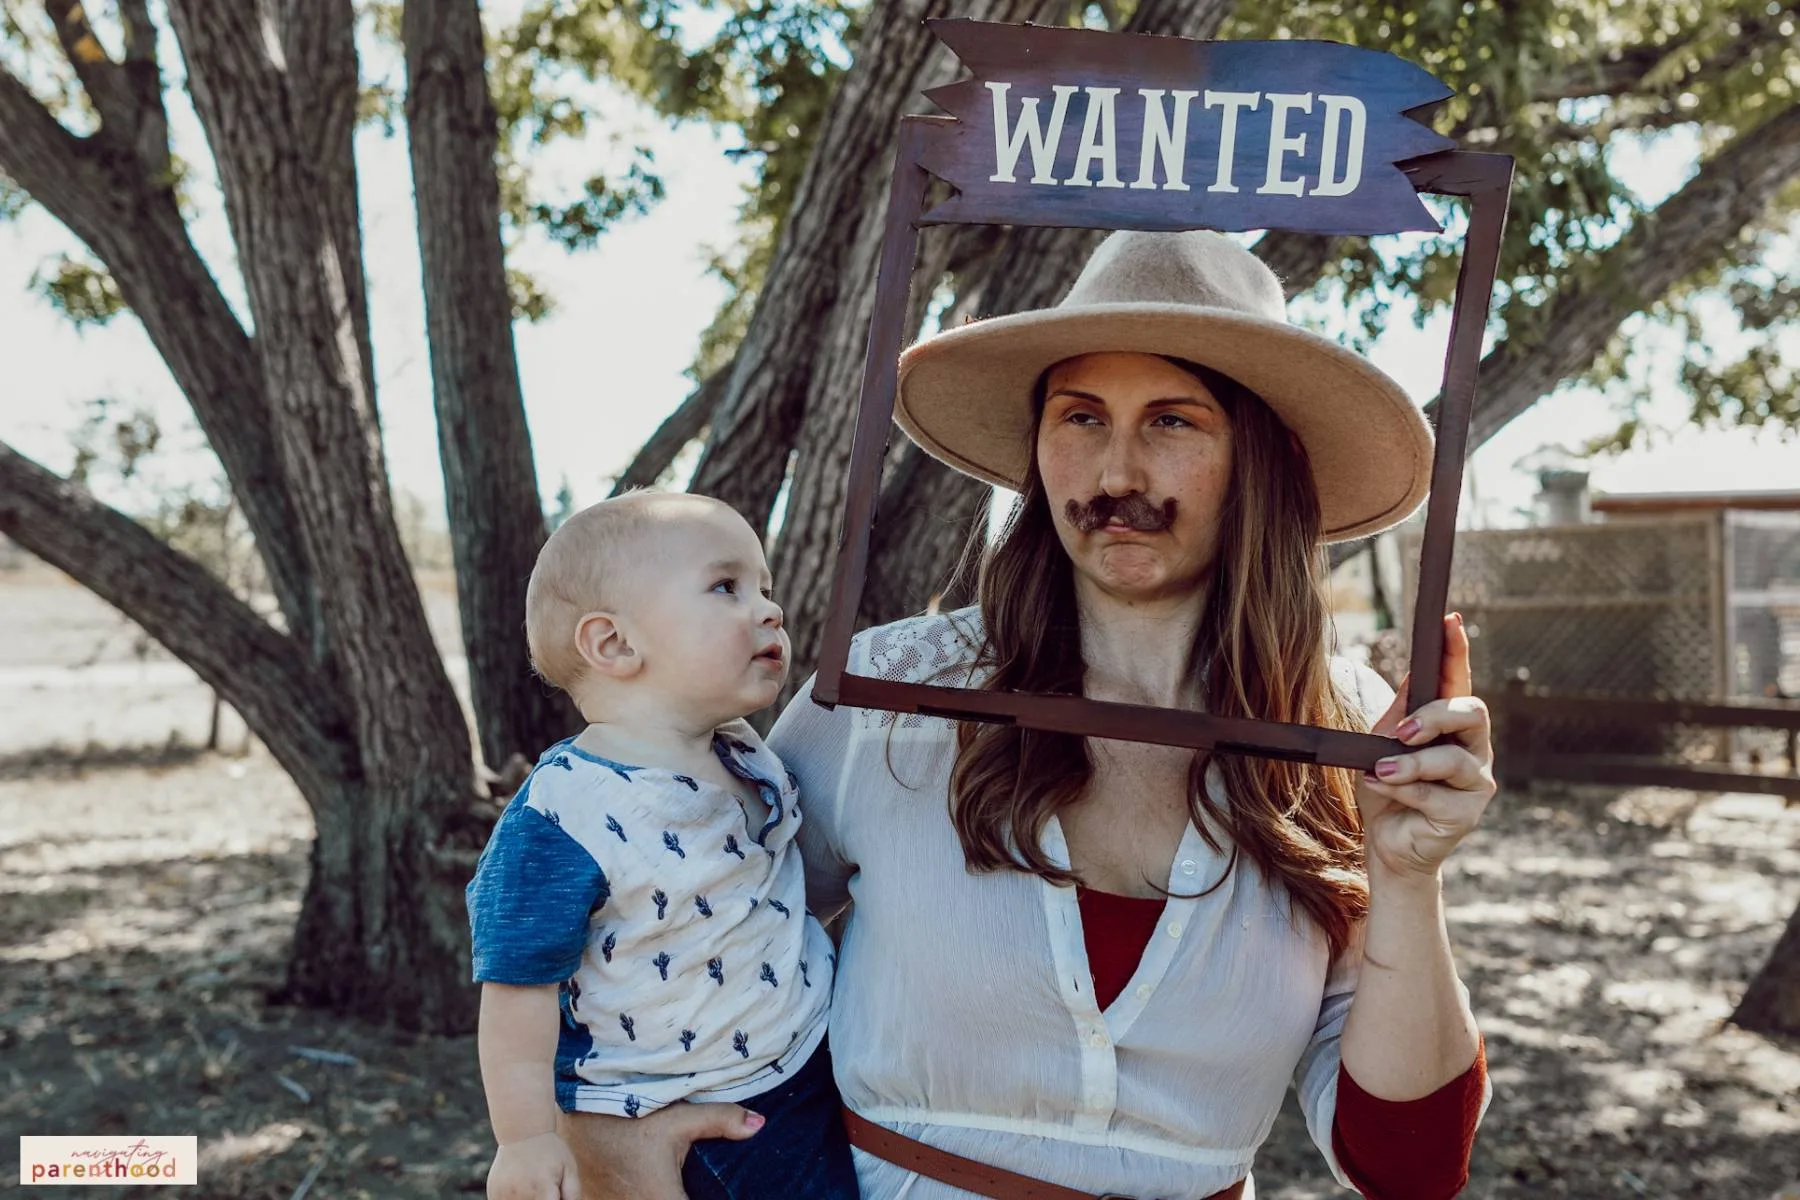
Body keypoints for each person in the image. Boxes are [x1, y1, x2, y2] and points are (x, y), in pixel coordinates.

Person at [563, 228, 1497, 1199]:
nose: (1117, 474)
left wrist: (1404, 875)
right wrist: (611, 1135)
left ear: (1260, 456)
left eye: (1173, 422)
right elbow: (674, 917)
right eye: (1081, 418)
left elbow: (1409, 1167)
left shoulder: (1341, 733)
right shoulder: (893, 693)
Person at [465, 492, 858, 1200]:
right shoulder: (565, 815)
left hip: (807, 1061)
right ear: (614, 644)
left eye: (763, 588)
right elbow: (517, 989)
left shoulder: (740, 750)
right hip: (695, 1112)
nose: (769, 610)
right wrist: (524, 1140)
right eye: (726, 587)